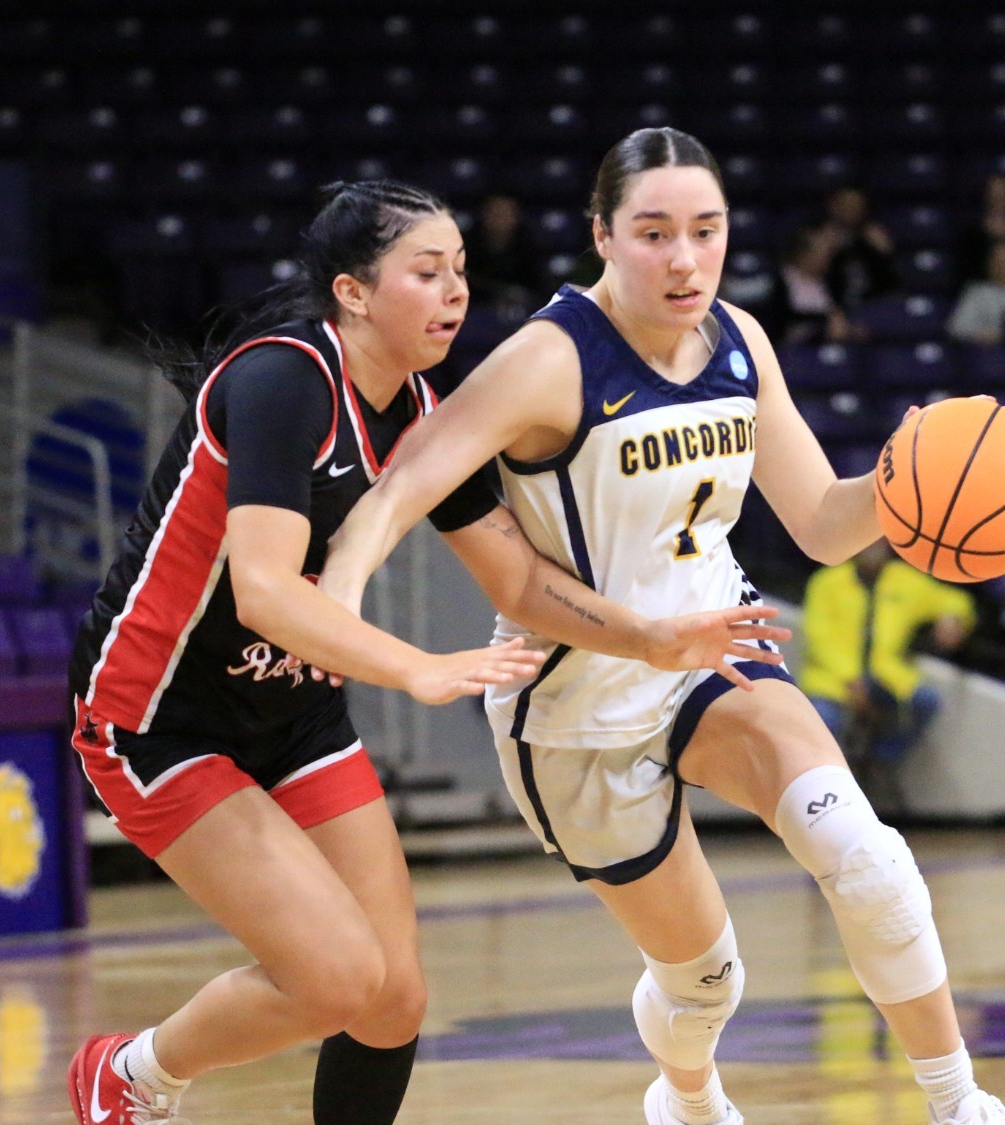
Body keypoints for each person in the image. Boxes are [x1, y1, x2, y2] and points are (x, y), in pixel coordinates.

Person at [323, 129, 1005, 1125]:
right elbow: (405, 484)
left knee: (869, 860)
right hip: (575, 705)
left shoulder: (739, 340)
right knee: (706, 983)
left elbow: (821, 524)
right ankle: (687, 1098)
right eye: (654, 233)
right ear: (602, 236)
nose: (686, 259)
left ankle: (959, 1104)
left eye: (707, 230)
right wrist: (338, 592)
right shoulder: (548, 359)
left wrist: (900, 477)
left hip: (715, 657)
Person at [63, 180, 785, 1125]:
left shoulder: (420, 411)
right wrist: (418, 667)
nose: (455, 293)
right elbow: (264, 592)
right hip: (160, 715)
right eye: (428, 272)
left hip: (292, 713)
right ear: (354, 293)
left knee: (394, 996)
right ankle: (132, 1075)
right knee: (335, 977)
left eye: (461, 271)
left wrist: (649, 637)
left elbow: (518, 580)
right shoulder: (281, 379)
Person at [799, 539, 975, 771]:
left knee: (926, 701)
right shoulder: (827, 582)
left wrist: (952, 617)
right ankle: (822, 774)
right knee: (824, 719)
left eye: (879, 541)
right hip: (833, 678)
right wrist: (850, 678)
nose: (873, 546)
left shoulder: (905, 580)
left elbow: (952, 599)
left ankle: (880, 761)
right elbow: (819, 638)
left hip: (884, 674)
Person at [761, 225, 857, 346]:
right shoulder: (780, 280)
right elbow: (780, 321)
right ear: (804, 253)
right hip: (793, 347)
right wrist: (823, 322)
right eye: (824, 253)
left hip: (831, 344)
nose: (829, 258)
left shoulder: (833, 282)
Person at [464, 192, 549, 315]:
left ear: (516, 216)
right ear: (483, 214)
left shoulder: (530, 247)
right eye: (494, 212)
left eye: (505, 213)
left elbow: (538, 286)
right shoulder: (467, 247)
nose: (499, 218)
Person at [818, 185, 901, 310]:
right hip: (830, 304)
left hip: (874, 305)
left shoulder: (874, 236)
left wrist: (885, 252)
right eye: (847, 205)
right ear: (833, 206)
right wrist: (827, 249)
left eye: (857, 206)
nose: (852, 211)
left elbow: (891, 278)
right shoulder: (818, 236)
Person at [955, 174, 1005, 285]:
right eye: (994, 194)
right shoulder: (972, 233)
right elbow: (966, 270)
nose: (998, 199)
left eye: (1004, 194)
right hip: (984, 289)